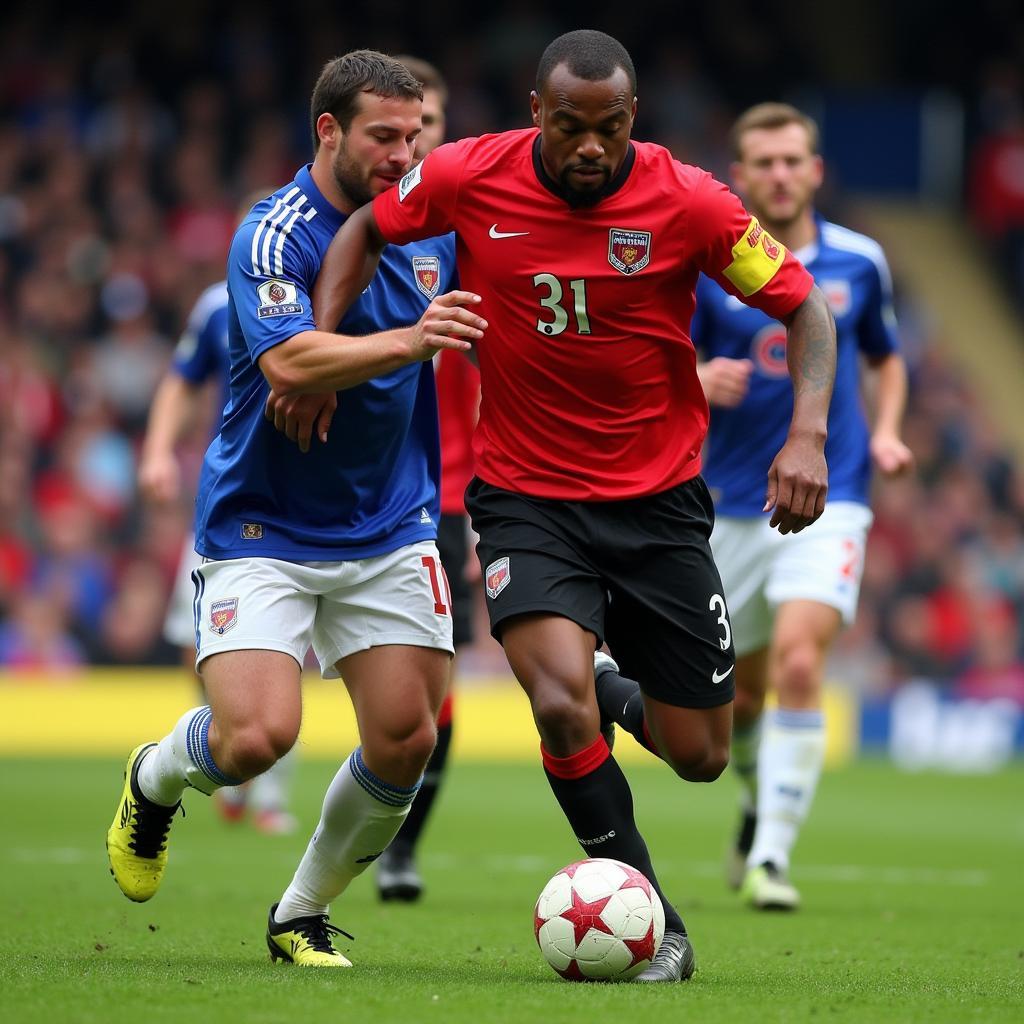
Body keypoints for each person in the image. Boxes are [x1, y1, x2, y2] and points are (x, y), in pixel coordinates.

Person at [310, 31, 837, 982]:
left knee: (701, 755)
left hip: (661, 505)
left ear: (631, 117)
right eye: (568, 127)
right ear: (535, 111)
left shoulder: (691, 200)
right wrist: (322, 342)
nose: (588, 148)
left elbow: (806, 308)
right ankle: (654, 922)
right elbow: (362, 228)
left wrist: (807, 434)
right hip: (523, 497)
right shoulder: (470, 175)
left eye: (606, 128)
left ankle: (607, 685)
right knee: (554, 703)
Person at [105, 50, 488, 968]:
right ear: (329, 132)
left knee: (407, 739)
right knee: (256, 741)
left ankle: (300, 913)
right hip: (261, 527)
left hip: (393, 520)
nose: (404, 155)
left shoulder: (434, 226)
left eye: (416, 135)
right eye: (382, 137)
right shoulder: (274, 234)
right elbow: (286, 365)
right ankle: (154, 779)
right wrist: (405, 342)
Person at [691, 103, 913, 910]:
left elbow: (887, 360)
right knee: (739, 699)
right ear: (740, 175)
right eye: (764, 162)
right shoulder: (713, 263)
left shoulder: (860, 263)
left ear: (816, 171)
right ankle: (757, 805)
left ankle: (772, 861)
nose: (780, 174)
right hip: (728, 507)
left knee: (796, 662)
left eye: (794, 161)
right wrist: (699, 379)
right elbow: (661, 359)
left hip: (834, 494)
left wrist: (885, 433)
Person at [138, 204, 297, 837]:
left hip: (298, 512)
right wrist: (155, 453)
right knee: (195, 647)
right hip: (227, 505)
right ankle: (230, 757)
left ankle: (271, 793)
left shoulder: (329, 294)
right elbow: (181, 381)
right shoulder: (214, 305)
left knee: (285, 654)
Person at [374, 55, 482, 902]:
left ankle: (402, 846)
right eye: (402, 131)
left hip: (443, 496)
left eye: (431, 129)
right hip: (341, 488)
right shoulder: (343, 229)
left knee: (427, 685)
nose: (417, 146)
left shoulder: (473, 237)